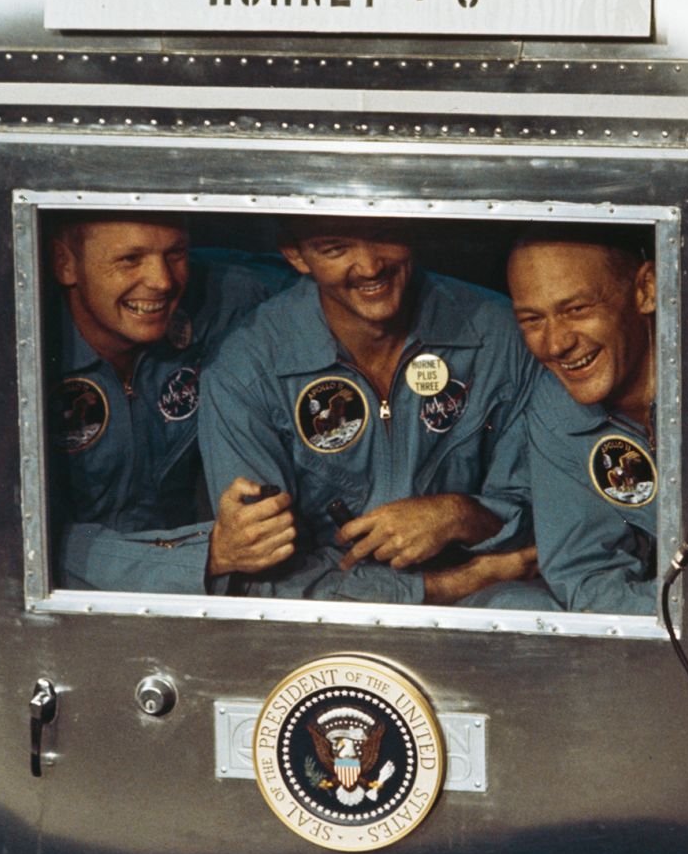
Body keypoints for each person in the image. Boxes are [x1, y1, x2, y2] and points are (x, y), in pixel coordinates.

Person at [199, 215, 540, 604]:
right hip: (329, 609)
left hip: (487, 594)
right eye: (335, 249)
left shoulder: (500, 335)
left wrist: (461, 515)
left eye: (385, 236)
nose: (370, 267)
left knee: (529, 604)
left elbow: (553, 524)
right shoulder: (246, 368)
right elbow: (258, 578)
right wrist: (442, 586)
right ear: (295, 254)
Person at [47, 211, 292, 592]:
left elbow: (338, 287)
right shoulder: (16, 346)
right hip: (75, 599)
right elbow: (17, 540)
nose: (162, 281)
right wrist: (203, 556)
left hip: (202, 591)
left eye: (176, 254)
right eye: (130, 259)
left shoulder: (222, 299)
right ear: (65, 263)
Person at [505, 224, 658, 613]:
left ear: (646, 290)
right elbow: (586, 575)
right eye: (532, 320)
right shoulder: (555, 405)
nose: (556, 344)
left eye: (577, 310)